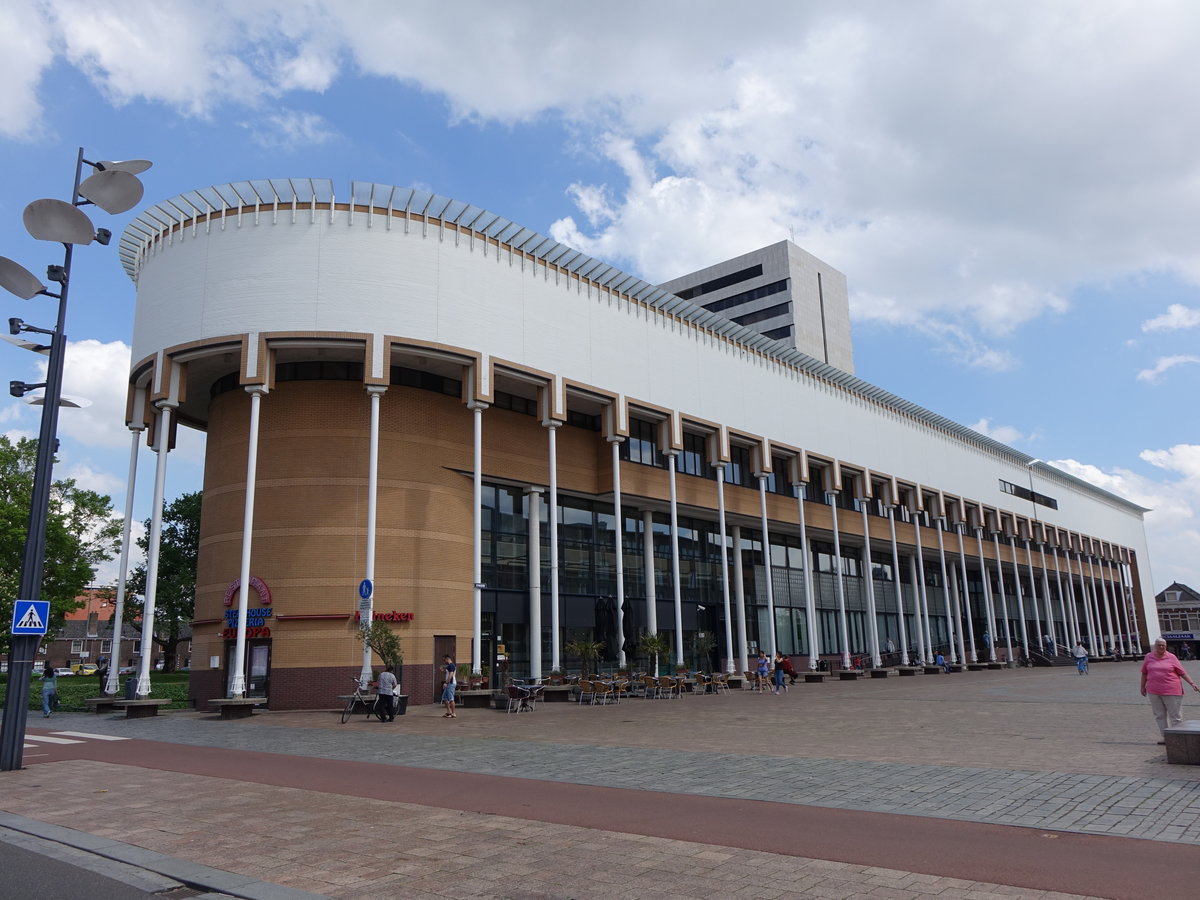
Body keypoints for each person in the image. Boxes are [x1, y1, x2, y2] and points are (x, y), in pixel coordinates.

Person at [1140, 638, 1200, 744]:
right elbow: (1144, 673)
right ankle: (1165, 737)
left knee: (1175, 716)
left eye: (1163, 645)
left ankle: (1177, 738)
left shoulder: (1171, 657)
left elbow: (1182, 672)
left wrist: (1192, 683)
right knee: (1159, 715)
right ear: (1155, 646)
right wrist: (1142, 686)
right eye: (1159, 645)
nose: (1161, 647)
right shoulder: (1149, 657)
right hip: (1153, 691)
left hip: (1172, 690)